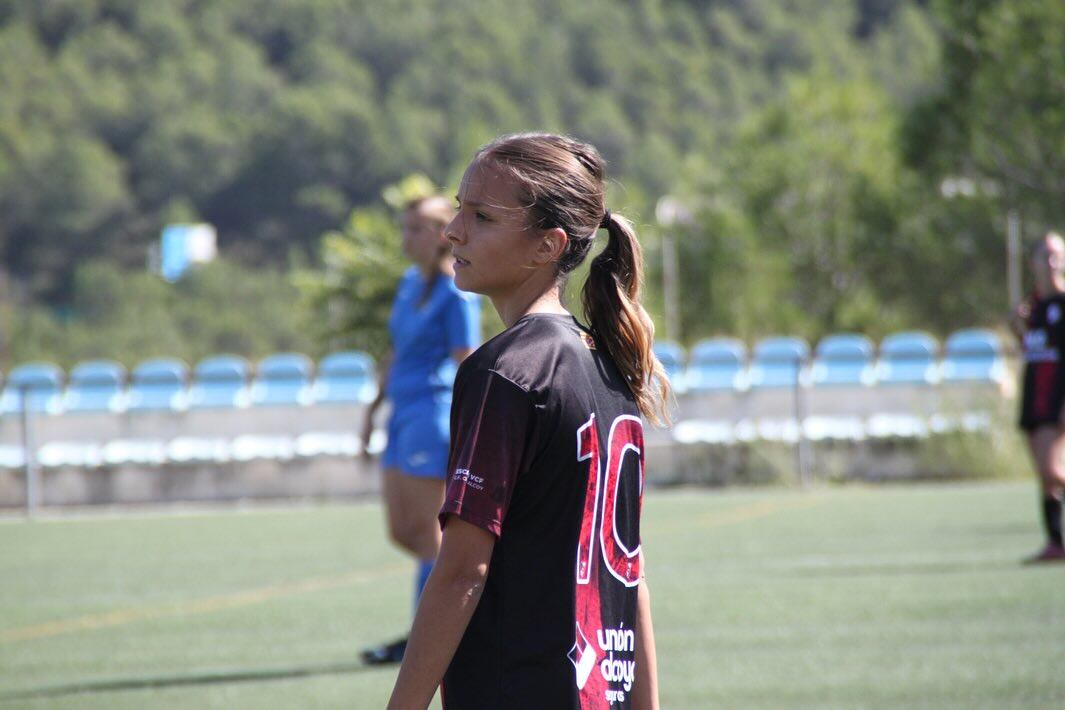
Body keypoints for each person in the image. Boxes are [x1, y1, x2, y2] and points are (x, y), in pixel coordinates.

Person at [387, 133, 668, 709]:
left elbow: (463, 569)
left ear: (548, 245)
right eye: (460, 207)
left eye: (483, 216)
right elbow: (630, 578)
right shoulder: (610, 367)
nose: (453, 231)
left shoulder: (506, 373)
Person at [360, 196, 481, 664]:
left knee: (432, 533)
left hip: (433, 413)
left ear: (437, 235)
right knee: (403, 531)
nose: (405, 238)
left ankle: (431, 636)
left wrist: (475, 422)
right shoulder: (409, 284)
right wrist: (372, 409)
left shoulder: (456, 292)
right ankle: (439, 627)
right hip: (401, 413)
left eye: (414, 229)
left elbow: (465, 359)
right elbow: (394, 351)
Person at [1011, 231, 1065, 563]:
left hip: (1056, 400)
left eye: (1056, 254)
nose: (1050, 261)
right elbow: (1033, 351)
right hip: (1035, 398)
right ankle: (1056, 543)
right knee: (1045, 480)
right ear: (1032, 263)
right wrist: (1016, 328)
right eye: (1044, 255)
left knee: (1051, 470)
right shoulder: (1034, 307)